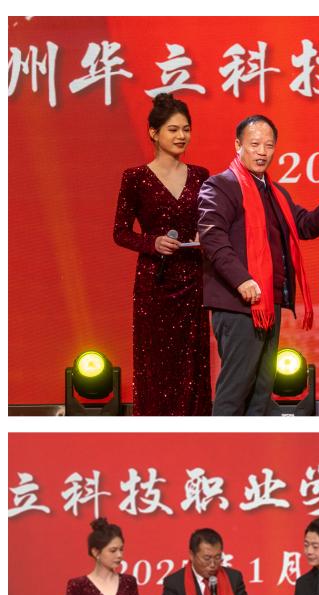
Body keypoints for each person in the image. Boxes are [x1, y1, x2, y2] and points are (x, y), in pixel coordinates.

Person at [198, 113, 319, 415]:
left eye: (269, 146)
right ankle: (220, 444)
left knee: (261, 390)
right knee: (236, 388)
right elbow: (212, 238)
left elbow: (303, 226)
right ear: (238, 145)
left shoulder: (275, 192)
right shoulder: (220, 186)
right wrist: (242, 279)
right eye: (255, 144)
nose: (262, 152)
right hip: (237, 302)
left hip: (269, 301)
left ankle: (253, 445)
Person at [112, 93, 211, 415]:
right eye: (173, 129)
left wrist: (205, 235)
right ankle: (154, 431)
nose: (182, 136)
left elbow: (211, 223)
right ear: (153, 133)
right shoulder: (135, 178)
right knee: (155, 362)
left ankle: (196, 431)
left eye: (186, 129)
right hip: (154, 284)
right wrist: (151, 243)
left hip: (193, 280)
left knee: (193, 361)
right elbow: (120, 232)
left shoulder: (201, 175)